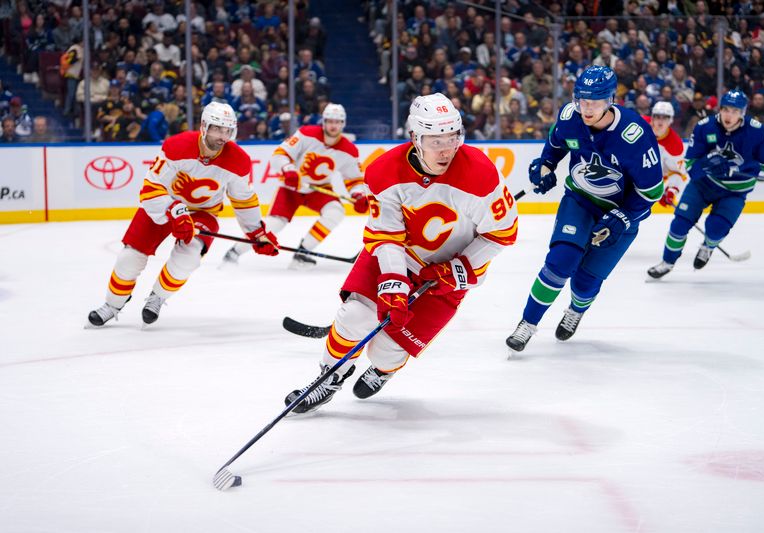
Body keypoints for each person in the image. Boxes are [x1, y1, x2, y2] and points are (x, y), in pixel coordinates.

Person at [284, 93, 518, 413]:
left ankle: (384, 369)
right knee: (355, 316)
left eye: (452, 137)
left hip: (445, 275)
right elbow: (386, 235)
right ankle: (328, 376)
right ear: (415, 137)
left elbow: (503, 233)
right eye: (435, 140)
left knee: (386, 350)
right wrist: (394, 280)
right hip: (397, 255)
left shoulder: (481, 173)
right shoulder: (384, 171)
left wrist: (459, 266)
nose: (446, 148)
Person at [505, 65, 663, 352]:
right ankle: (527, 323)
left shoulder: (635, 135)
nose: (586, 109)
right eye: (582, 100)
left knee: (586, 281)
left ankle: (576, 310)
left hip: (619, 214)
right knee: (560, 261)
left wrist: (623, 216)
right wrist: (545, 165)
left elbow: (652, 192)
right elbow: (554, 145)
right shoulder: (570, 117)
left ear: (611, 100)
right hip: (579, 199)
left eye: (595, 102)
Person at [86, 102, 279, 327]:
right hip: (163, 204)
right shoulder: (177, 146)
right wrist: (174, 211)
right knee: (129, 258)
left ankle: (157, 297)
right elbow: (151, 187)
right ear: (204, 126)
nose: (222, 136)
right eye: (217, 129)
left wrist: (257, 232)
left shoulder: (239, 161)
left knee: (189, 256)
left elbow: (244, 200)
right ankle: (113, 304)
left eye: (227, 130)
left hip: (203, 212)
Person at [647, 90, 764, 278]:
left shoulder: (755, 131)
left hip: (734, 192)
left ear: (743, 113)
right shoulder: (705, 127)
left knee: (716, 228)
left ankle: (708, 246)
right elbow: (690, 163)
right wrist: (708, 165)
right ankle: (667, 262)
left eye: (734, 111)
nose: (729, 115)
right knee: (679, 224)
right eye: (726, 109)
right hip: (703, 185)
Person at [222, 103, 368, 268]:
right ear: (324, 121)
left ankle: (303, 253)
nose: (334, 125)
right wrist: (288, 170)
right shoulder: (306, 134)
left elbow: (354, 179)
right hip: (292, 187)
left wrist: (358, 195)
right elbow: (280, 154)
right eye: (330, 121)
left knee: (336, 211)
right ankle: (234, 252)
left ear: (343, 124)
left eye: (338, 122)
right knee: (274, 224)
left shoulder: (349, 150)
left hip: (319, 189)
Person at [642, 101, 687, 209]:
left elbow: (678, 173)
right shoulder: (639, 124)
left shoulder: (675, 145)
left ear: (671, 120)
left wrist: (671, 190)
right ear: (652, 117)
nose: (660, 121)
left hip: (646, 186)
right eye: (657, 116)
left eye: (665, 117)